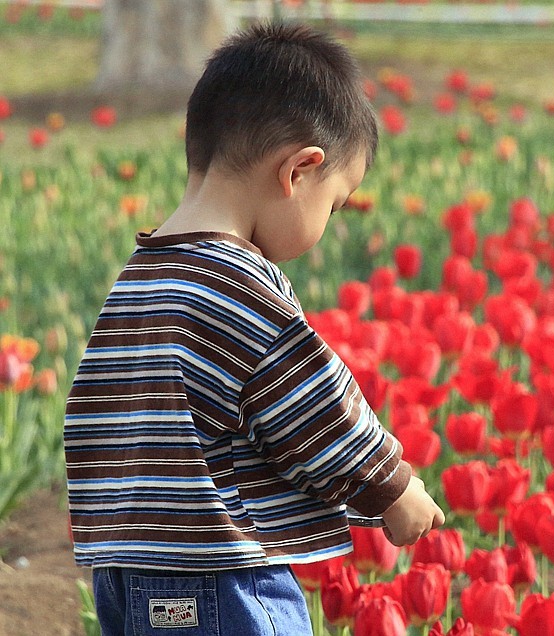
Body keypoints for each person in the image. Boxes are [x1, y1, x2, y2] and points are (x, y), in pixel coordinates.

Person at [64, 21, 444, 635]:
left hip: (122, 573)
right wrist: (393, 490)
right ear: (297, 172)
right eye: (336, 203)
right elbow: (313, 409)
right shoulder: (239, 284)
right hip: (215, 577)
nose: (329, 225)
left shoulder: (139, 275)